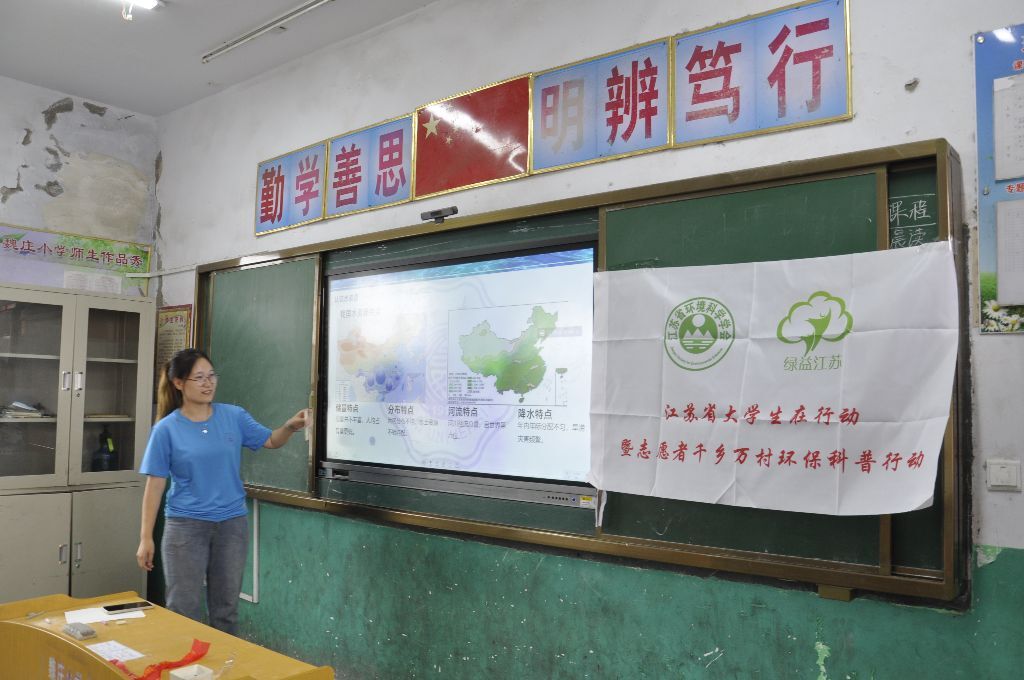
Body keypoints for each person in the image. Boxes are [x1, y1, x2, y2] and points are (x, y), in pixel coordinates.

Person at [136, 348, 307, 634]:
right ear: (179, 383)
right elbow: (155, 485)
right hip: (185, 527)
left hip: (231, 525)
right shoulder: (166, 430)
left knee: (226, 611)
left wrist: (289, 426)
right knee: (183, 610)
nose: (208, 383)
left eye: (211, 376)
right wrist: (145, 538)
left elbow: (270, 441)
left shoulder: (233, 416)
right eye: (198, 378)